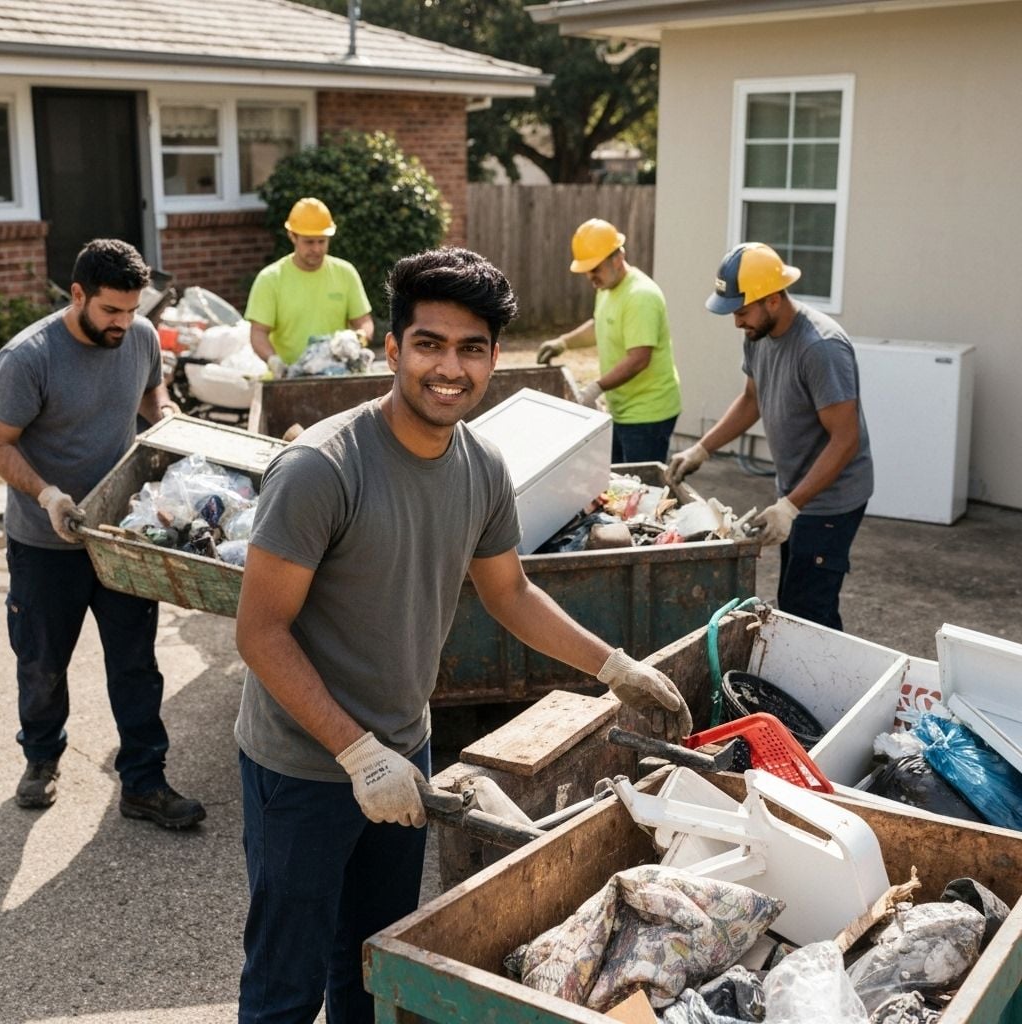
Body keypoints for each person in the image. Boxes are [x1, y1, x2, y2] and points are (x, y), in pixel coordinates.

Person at [234, 246, 692, 1023]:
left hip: (404, 752)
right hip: (306, 766)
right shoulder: (322, 469)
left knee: (371, 967)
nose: (450, 368)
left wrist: (613, 666)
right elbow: (260, 633)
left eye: (471, 349)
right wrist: (353, 752)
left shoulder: (480, 465)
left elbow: (508, 592)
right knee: (286, 979)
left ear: (493, 361)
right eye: (430, 344)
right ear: (392, 349)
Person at [0, 238, 206, 828]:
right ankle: (41, 758)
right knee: (42, 662)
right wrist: (46, 494)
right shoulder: (28, 358)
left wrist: (163, 416)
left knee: (136, 662)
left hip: (120, 534)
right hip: (46, 541)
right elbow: (0, 441)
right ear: (78, 294)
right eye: (111, 310)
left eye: (133, 309)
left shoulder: (138, 336)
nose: (124, 323)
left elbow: (148, 391)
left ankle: (143, 782)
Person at [667, 242, 873, 631]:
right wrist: (702, 448)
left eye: (742, 311)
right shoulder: (759, 334)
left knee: (809, 611)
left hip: (831, 501)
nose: (736, 322)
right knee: (795, 600)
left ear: (773, 300)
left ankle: (833, 688)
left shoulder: (821, 348)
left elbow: (846, 441)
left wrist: (790, 507)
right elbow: (751, 399)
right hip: (797, 490)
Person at [536, 218, 682, 463]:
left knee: (641, 488)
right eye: (587, 271)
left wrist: (596, 387)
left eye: (595, 269)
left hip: (647, 413)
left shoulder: (640, 296)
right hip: (621, 408)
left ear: (618, 258)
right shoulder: (607, 289)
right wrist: (563, 343)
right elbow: (600, 325)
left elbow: (639, 359)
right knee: (617, 483)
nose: (591, 277)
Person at [245, 196, 375, 369]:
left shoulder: (345, 273)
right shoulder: (270, 279)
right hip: (290, 376)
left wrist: (358, 338)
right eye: (309, 242)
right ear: (292, 236)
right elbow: (259, 332)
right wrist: (273, 360)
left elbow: (364, 321)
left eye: (322, 241)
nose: (316, 248)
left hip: (338, 373)